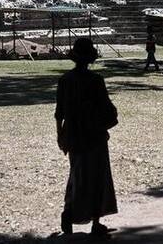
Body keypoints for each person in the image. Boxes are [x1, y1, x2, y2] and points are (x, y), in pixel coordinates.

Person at [55, 38, 118, 236]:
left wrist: (60, 135)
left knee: (77, 175)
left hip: (73, 134)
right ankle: (96, 221)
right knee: (98, 177)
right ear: (90, 58)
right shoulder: (95, 80)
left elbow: (59, 112)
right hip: (94, 135)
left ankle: (69, 211)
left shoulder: (65, 80)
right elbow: (107, 109)